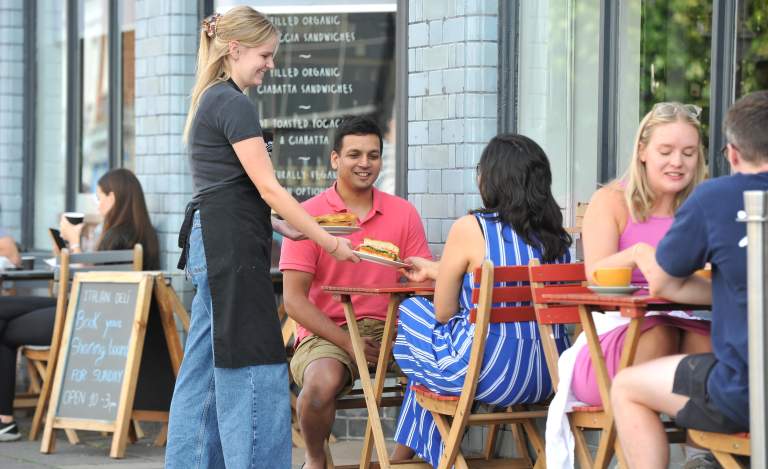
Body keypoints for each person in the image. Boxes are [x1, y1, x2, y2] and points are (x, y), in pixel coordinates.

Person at [165, 8, 357, 469]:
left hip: (217, 243)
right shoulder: (233, 103)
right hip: (230, 249)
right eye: (265, 55)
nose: (271, 64)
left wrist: (280, 225)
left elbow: (230, 188)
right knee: (254, 367)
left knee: (204, 373)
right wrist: (328, 242)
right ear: (235, 49)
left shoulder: (214, 99)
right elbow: (268, 187)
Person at [545, 102, 713, 468]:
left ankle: (701, 457)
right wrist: (637, 254)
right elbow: (595, 274)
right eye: (666, 151)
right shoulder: (611, 201)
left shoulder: (702, 206)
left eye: (688, 153)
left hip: (685, 332)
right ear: (642, 151)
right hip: (609, 347)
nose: (677, 162)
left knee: (706, 340)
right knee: (661, 331)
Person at [391, 134, 572, 467]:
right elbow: (509, 277)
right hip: (550, 374)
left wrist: (446, 279)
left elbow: (443, 311)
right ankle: (404, 456)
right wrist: (438, 269)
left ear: (492, 178)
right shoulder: (557, 237)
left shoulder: (472, 228)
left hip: (487, 373)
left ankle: (426, 457)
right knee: (426, 369)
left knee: (413, 310)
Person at [612, 90, 768, 469]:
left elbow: (664, 283)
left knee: (627, 386)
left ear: (733, 154)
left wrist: (730, 289)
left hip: (746, 390)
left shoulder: (715, 199)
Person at [280, 116, 432, 469]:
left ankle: (398, 461)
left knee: (448, 369)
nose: (365, 163)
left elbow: (423, 285)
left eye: (373, 155)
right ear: (335, 159)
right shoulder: (308, 216)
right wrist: (349, 343)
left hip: (393, 328)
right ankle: (315, 460)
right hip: (327, 331)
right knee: (319, 387)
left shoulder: (403, 212)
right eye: (354, 155)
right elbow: (293, 300)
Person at [0, 168, 160, 441]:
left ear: (113, 197)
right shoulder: (141, 233)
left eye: (99, 197)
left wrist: (74, 243)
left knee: (4, 327)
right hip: (94, 314)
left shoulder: (118, 235)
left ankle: (5, 421)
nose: (97, 204)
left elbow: (92, 282)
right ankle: (4, 423)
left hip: (90, 320)